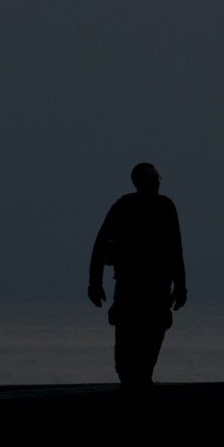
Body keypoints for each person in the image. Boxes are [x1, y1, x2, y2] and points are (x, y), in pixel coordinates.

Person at [87, 162, 186, 393]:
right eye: (152, 178)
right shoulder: (124, 207)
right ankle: (131, 382)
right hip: (129, 287)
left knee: (153, 337)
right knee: (126, 339)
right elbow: (101, 245)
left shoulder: (166, 207)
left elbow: (175, 249)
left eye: (158, 177)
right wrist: (95, 282)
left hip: (158, 288)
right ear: (140, 181)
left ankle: (142, 382)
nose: (157, 181)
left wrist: (180, 285)